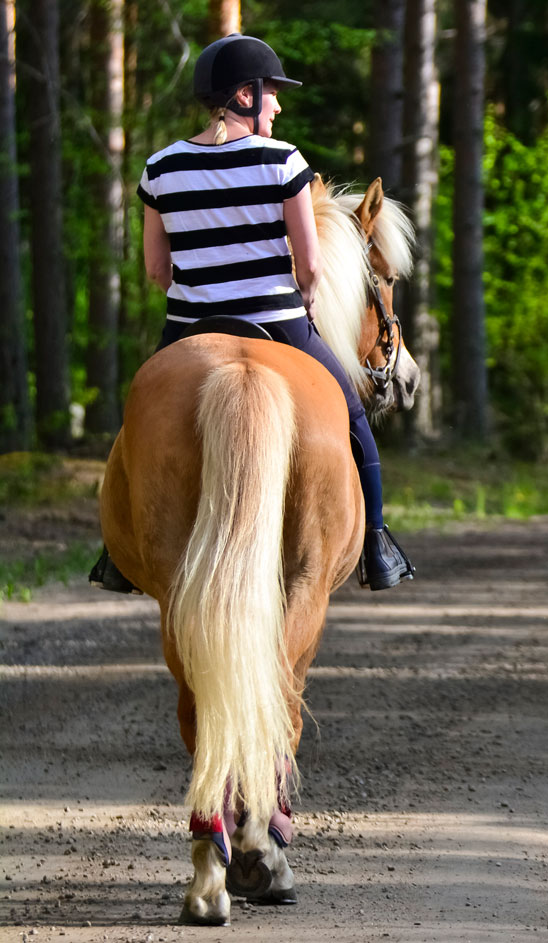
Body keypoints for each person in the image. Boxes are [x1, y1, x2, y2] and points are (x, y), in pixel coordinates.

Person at [90, 34, 413, 593]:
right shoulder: (283, 160)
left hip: (189, 327)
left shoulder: (161, 168)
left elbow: (155, 270)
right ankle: (378, 544)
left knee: (136, 428)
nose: (278, 106)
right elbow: (309, 266)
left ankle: (119, 549)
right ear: (245, 94)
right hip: (280, 324)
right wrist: (305, 298)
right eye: (272, 95)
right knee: (355, 422)